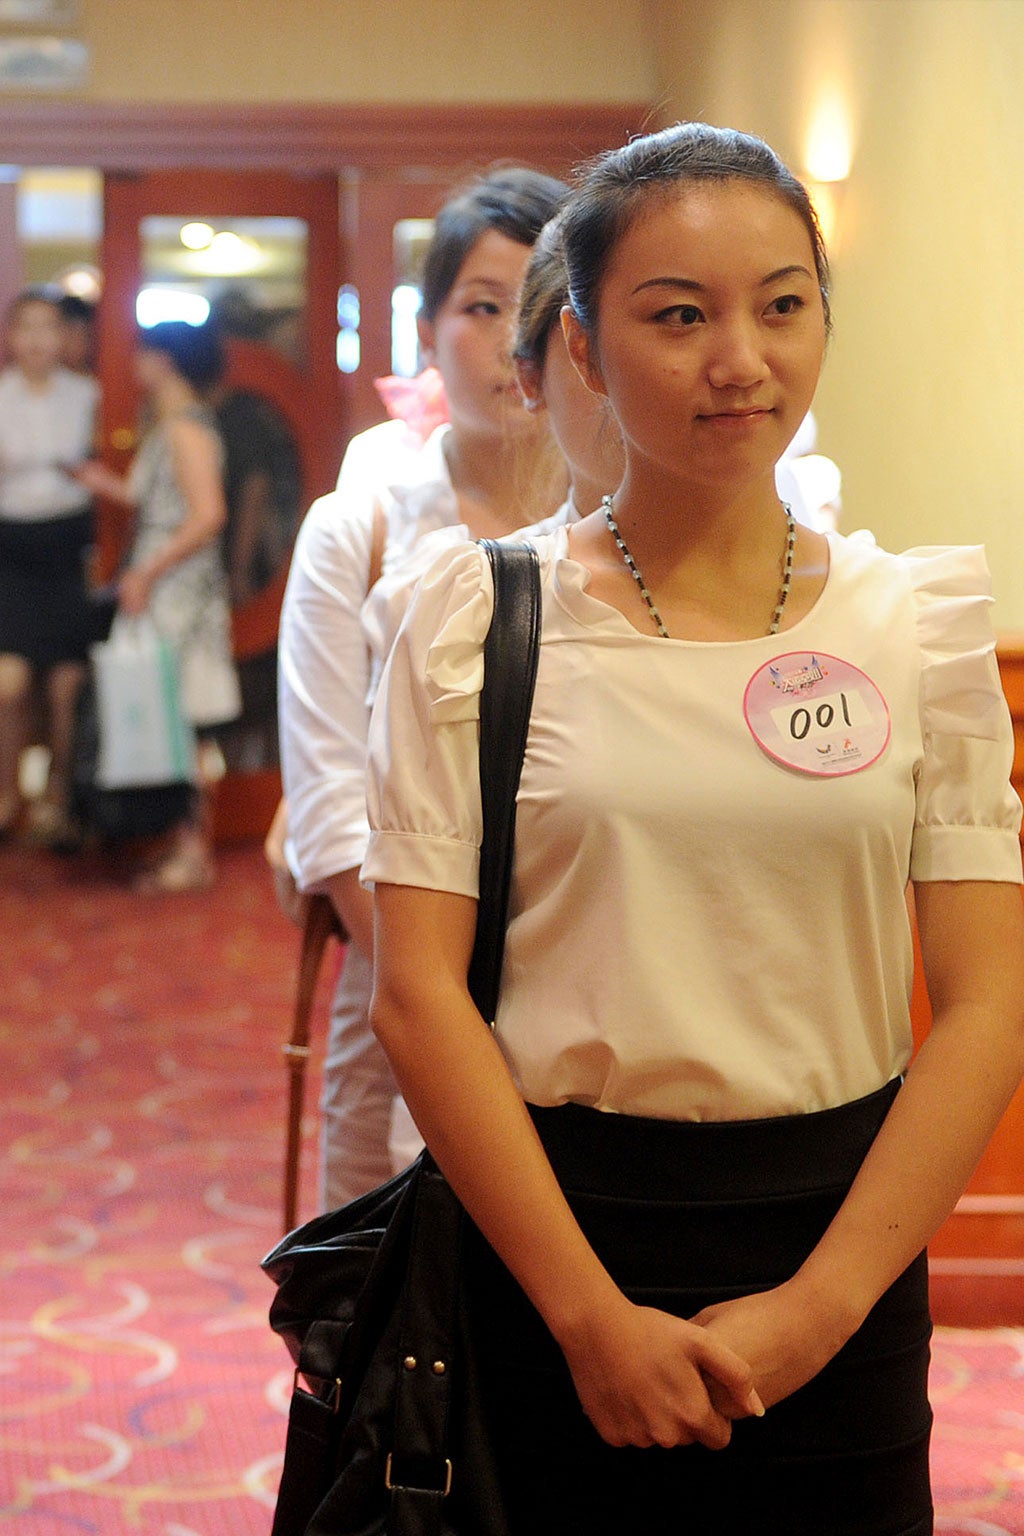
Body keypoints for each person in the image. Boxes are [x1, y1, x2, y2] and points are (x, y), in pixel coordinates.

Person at [367, 122, 1024, 1532]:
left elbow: (985, 1001)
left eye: (784, 305)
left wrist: (825, 1306)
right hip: (556, 1227)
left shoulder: (918, 626)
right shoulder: (475, 618)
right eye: (681, 316)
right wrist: (591, 1319)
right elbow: (418, 993)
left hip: (842, 1233)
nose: (744, 358)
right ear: (586, 353)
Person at [271, 167, 568, 1209]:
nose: (507, 339)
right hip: (399, 983)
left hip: (601, 994)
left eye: (539, 304)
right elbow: (325, 806)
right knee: (401, 1316)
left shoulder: (628, 524)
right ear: (430, 329)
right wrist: (442, 998)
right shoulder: (359, 527)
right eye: (480, 307)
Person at [73, 320, 241, 892]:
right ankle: (182, 845)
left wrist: (147, 568)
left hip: (179, 592)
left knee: (185, 719)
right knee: (178, 719)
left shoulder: (183, 428)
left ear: (163, 360)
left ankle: (193, 852)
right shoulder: (177, 424)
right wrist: (107, 486)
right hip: (176, 587)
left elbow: (207, 514)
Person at [0, 288, 102, 845]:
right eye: (26, 328)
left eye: (49, 328)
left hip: (72, 550)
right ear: (10, 338)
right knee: (8, 683)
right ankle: (3, 797)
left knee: (67, 683)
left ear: (65, 337)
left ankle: (58, 798)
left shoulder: (92, 397)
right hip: (14, 552)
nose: (38, 340)